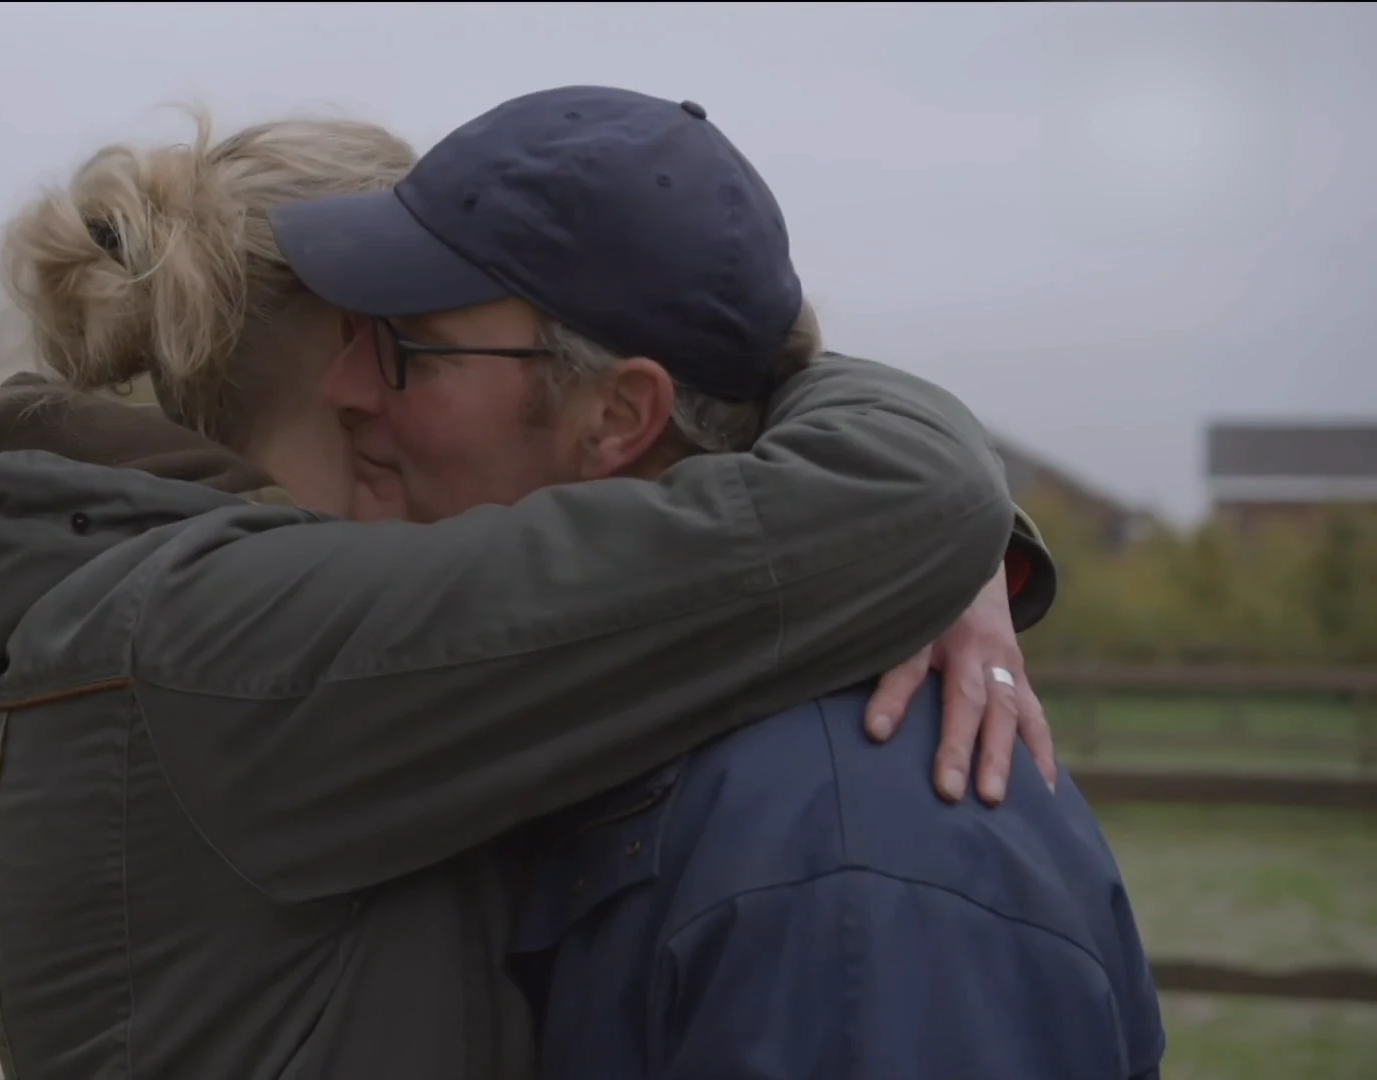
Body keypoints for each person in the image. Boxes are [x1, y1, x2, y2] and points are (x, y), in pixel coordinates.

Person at [0, 109, 1056, 1080]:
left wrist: (912, 535)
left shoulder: (154, 596)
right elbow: (899, 500)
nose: (371, 383)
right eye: (393, 333)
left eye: (412, 340)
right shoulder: (237, 636)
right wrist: (874, 478)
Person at [266, 86, 1164, 1079]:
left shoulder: (846, 861)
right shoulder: (601, 722)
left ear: (618, 416)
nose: (343, 389)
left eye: (405, 349)